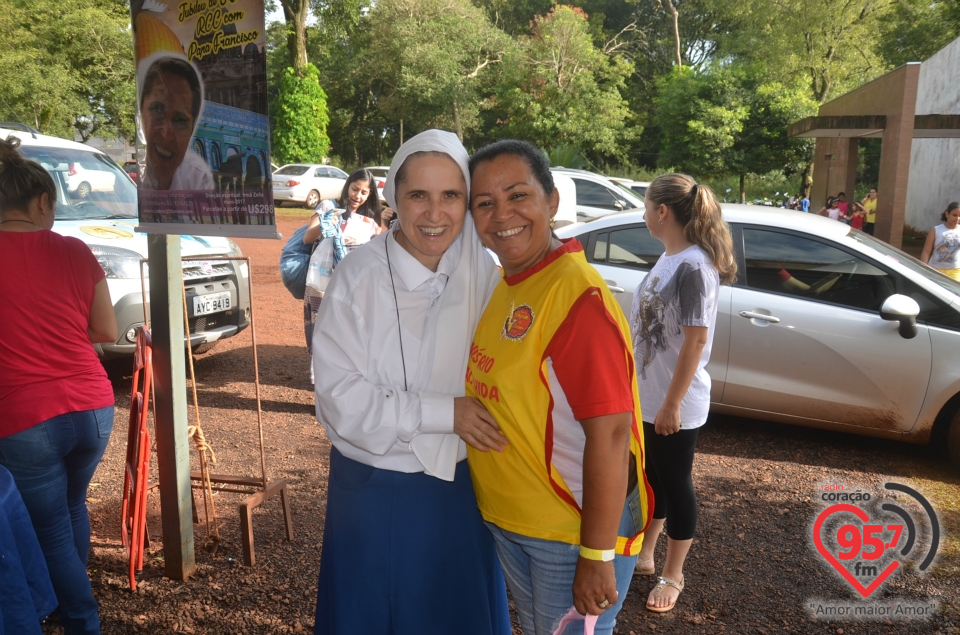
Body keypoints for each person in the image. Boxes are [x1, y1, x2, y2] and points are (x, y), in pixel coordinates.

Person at [311, 130, 510, 635]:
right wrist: (449, 413)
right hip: (374, 492)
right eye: (418, 195)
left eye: (451, 195)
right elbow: (341, 402)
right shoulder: (358, 277)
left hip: (462, 493)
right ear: (394, 199)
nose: (434, 213)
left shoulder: (484, 273)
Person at [465, 140, 652, 635]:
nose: (502, 214)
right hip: (520, 521)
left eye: (518, 195)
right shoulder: (511, 283)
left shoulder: (576, 298)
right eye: (484, 202)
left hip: (570, 531)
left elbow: (611, 433)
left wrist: (597, 553)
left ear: (552, 202)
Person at [0, 135, 118, 635]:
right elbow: (107, 332)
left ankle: (80, 617)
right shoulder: (74, 250)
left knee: (48, 527)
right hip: (94, 406)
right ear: (43, 201)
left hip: (24, 416)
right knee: (72, 506)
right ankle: (76, 593)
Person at [630, 173, 737, 613]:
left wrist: (671, 403)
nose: (642, 212)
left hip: (674, 400)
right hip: (650, 395)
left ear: (662, 212)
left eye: (645, 204)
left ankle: (673, 574)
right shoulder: (671, 256)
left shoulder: (694, 266)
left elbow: (695, 340)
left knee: (676, 485)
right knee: (653, 477)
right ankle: (646, 551)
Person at [301, 169, 385, 383]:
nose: (358, 195)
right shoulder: (328, 206)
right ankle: (321, 381)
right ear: (348, 185)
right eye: (355, 188)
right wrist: (327, 222)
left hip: (355, 284)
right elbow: (307, 237)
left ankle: (347, 380)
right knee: (323, 329)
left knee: (352, 330)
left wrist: (383, 225)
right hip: (322, 281)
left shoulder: (370, 219)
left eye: (364, 192)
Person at [139, 57, 214, 191]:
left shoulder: (198, 179)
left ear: (192, 128)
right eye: (157, 111)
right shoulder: (130, 183)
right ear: (141, 113)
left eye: (180, 121)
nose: (166, 135)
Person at [920, 202, 960, 281]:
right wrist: (923, 268)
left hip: (955, 272)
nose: (957, 218)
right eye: (954, 215)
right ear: (947, 214)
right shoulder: (936, 230)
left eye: (959, 216)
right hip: (935, 270)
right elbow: (926, 252)